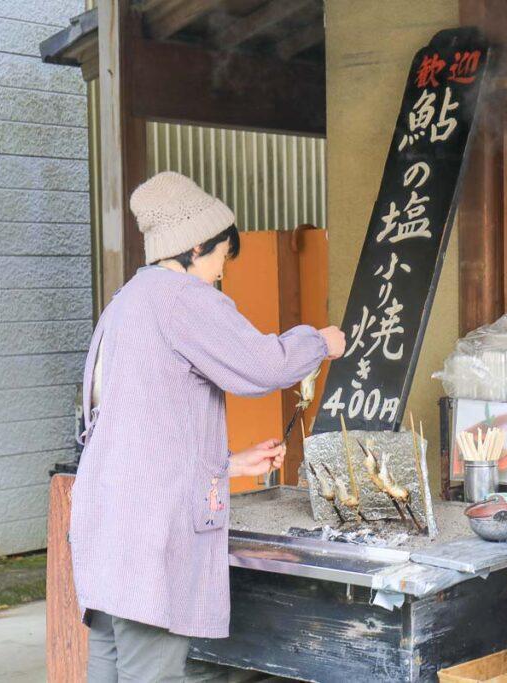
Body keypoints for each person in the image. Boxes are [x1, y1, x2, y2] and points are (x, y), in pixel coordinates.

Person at [70, 171, 346, 681]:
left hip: (105, 524)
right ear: (195, 248)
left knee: (110, 666)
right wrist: (319, 342)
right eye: (221, 256)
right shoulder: (182, 299)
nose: (223, 271)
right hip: (148, 534)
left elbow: (142, 429)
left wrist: (230, 463)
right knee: (150, 672)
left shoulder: (126, 301)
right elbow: (262, 366)